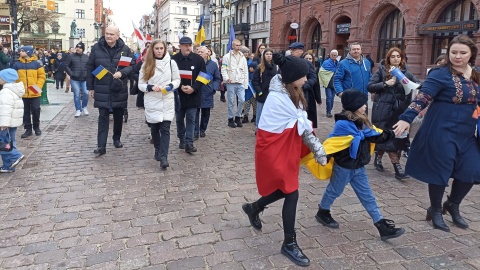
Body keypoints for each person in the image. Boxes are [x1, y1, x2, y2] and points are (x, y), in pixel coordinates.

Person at [242, 54, 327, 267]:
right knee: (291, 191)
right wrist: (318, 150)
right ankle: (289, 243)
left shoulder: (291, 91)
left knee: (287, 188)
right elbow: (303, 127)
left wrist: (318, 149)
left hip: (286, 146)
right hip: (273, 148)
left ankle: (254, 207)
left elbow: (301, 125)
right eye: (304, 75)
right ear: (292, 77)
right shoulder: (278, 98)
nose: (307, 79)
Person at [393, 34, 480, 232]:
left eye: (462, 53)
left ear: (471, 54)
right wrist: (406, 118)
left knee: (472, 170)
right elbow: (423, 97)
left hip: (467, 132)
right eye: (454, 52)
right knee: (440, 171)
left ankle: (452, 204)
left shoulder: (476, 74)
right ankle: (435, 209)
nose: (457, 56)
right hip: (441, 129)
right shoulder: (439, 74)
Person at [315, 89, 405, 240]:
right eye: (363, 104)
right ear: (354, 105)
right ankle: (322, 211)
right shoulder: (343, 124)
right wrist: (325, 156)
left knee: (367, 196)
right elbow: (334, 142)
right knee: (334, 191)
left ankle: (381, 225)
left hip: (359, 166)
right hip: (344, 167)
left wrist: (393, 133)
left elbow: (376, 136)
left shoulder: (363, 122)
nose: (365, 106)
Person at [367, 47, 420, 180]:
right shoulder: (381, 71)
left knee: (395, 137)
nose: (395, 58)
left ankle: (378, 157)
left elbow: (416, 86)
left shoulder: (406, 73)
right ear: (388, 58)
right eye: (393, 56)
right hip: (383, 110)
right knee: (386, 136)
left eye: (398, 56)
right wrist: (385, 83)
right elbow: (370, 86)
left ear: (401, 58)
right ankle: (397, 167)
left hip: (398, 111)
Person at [86, 25, 134, 156]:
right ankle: (101, 146)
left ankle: (116, 138)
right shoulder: (96, 48)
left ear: (117, 36)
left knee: (118, 116)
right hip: (102, 87)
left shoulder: (125, 49)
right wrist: (90, 87)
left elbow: (132, 66)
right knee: (103, 116)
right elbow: (90, 67)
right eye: (107, 33)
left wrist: (122, 73)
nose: (108, 36)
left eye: (111, 34)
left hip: (118, 88)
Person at [138, 39, 180, 168]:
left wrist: (171, 85)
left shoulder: (171, 63)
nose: (159, 51)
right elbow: (141, 84)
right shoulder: (146, 64)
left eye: (161, 48)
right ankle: (157, 149)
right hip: (152, 100)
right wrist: (150, 87)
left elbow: (177, 79)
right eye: (157, 48)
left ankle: (164, 157)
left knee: (165, 129)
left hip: (167, 99)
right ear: (152, 50)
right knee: (155, 129)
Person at [171, 37, 206, 153]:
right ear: (179, 46)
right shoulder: (173, 59)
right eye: (185, 45)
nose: (187, 47)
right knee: (180, 119)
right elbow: (170, 76)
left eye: (189, 45)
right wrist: (179, 86)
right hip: (178, 95)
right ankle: (181, 139)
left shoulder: (198, 59)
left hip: (193, 95)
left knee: (191, 119)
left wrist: (193, 88)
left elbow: (204, 77)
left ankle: (189, 143)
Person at [12, 45, 46, 138]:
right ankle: (28, 129)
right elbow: (14, 78)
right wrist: (18, 88)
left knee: (36, 110)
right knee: (25, 112)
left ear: (27, 52)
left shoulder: (37, 64)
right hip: (22, 92)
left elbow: (42, 77)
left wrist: (37, 87)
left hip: (34, 91)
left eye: (22, 51)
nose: (20, 52)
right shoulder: (16, 64)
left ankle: (36, 127)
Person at [289, 42, 321, 128]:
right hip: (289, 94)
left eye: (294, 50)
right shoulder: (286, 62)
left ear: (300, 51)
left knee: (303, 114)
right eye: (291, 50)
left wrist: (304, 86)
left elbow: (313, 78)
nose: (291, 51)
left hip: (303, 94)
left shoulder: (307, 64)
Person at [0, 69, 25, 173]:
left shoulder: (6, 91)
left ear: (5, 79)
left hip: (6, 122)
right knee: (9, 142)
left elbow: (6, 108)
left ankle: (16, 155)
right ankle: (8, 166)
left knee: (3, 143)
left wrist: (3, 123)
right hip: (13, 122)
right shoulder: (14, 90)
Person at [194, 46, 221, 139]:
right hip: (195, 92)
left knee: (206, 113)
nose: (200, 53)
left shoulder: (213, 64)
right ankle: (195, 131)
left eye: (202, 52)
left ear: (207, 53)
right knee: (195, 112)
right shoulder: (194, 62)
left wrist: (214, 88)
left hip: (207, 92)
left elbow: (217, 78)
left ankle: (202, 130)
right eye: (198, 52)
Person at [221, 39, 249, 128]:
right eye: (236, 45)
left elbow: (245, 71)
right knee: (231, 102)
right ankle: (230, 119)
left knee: (242, 100)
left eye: (239, 45)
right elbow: (223, 69)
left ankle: (238, 116)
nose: (238, 47)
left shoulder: (243, 57)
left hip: (240, 82)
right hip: (231, 82)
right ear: (232, 46)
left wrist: (245, 83)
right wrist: (226, 78)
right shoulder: (227, 57)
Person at [252, 48, 277, 127]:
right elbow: (255, 81)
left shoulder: (276, 67)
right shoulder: (259, 67)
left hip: (272, 93)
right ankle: (258, 127)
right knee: (260, 111)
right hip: (262, 93)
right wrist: (259, 91)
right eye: (267, 54)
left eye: (270, 54)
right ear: (264, 56)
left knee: (271, 112)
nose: (269, 56)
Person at [65, 42, 89, 118]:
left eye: (80, 47)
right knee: (77, 94)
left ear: (82, 49)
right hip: (75, 79)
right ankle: (78, 109)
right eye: (77, 47)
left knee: (86, 93)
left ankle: (84, 107)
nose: (78, 49)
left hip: (84, 79)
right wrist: (71, 74)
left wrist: (87, 74)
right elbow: (66, 66)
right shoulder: (71, 56)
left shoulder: (86, 57)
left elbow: (90, 67)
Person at [319, 50, 339, 118]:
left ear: (337, 56)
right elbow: (321, 71)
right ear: (330, 55)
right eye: (332, 55)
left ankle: (330, 110)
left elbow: (339, 71)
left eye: (335, 55)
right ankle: (328, 112)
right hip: (328, 83)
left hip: (335, 83)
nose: (333, 56)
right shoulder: (326, 62)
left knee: (332, 98)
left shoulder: (337, 63)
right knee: (329, 98)